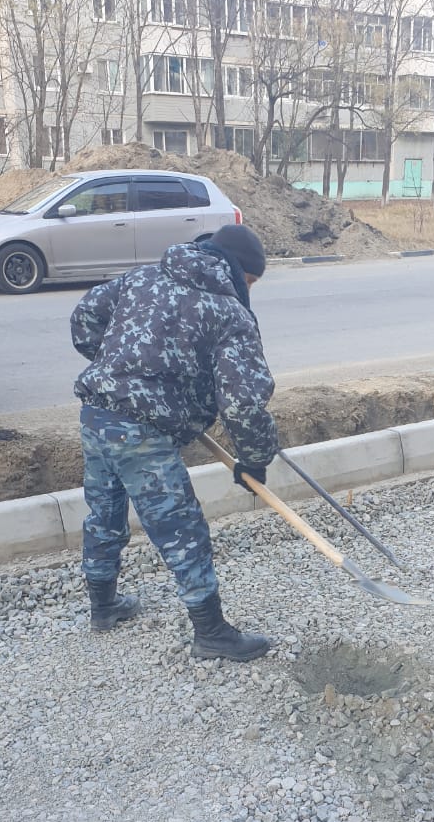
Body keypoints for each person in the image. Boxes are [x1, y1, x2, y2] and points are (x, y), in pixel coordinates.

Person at [70, 223, 278, 661]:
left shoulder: (143, 276)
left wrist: (119, 369)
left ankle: (103, 607)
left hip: (96, 415)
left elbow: (84, 320)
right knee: (181, 528)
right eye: (252, 281)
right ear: (239, 271)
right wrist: (255, 460)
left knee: (104, 514)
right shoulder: (228, 313)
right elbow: (242, 403)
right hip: (141, 433)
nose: (250, 290)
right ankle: (212, 633)